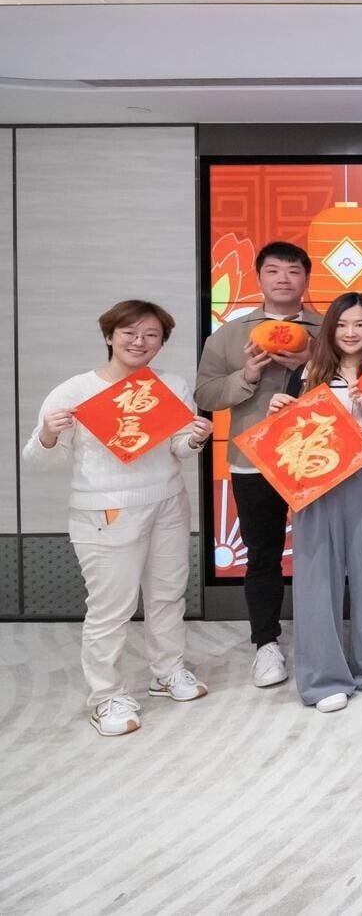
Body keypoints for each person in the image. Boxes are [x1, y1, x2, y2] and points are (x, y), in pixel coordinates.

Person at [24, 301, 213, 736]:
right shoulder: (74, 391)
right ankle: (106, 695)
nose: (139, 342)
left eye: (151, 335)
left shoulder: (171, 385)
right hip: (104, 509)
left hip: (167, 502)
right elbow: (38, 463)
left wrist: (195, 438)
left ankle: (167, 671)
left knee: (167, 595)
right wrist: (49, 434)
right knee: (112, 607)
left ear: (161, 343)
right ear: (109, 336)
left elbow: (178, 449)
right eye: (129, 332)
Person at [267, 292, 362, 712]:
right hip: (317, 482)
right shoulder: (309, 373)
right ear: (330, 329)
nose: (351, 332)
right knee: (317, 578)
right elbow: (289, 433)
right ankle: (323, 677)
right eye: (343, 324)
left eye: (360, 324)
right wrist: (277, 412)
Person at [195, 241, 320, 689]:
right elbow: (205, 394)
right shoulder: (230, 335)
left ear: (306, 279)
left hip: (319, 458)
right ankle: (266, 644)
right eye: (273, 270)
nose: (283, 279)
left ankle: (321, 640)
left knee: (321, 553)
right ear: (259, 277)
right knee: (263, 555)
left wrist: (314, 361)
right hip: (253, 460)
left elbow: (358, 386)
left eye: (293, 271)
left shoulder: (329, 330)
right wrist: (246, 375)